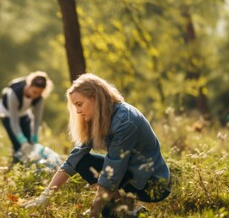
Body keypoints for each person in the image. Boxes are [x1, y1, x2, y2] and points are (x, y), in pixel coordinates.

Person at [21, 73, 170, 217]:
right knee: (83, 162)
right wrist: (43, 197)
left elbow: (112, 173)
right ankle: (127, 209)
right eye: (75, 106)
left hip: (152, 184)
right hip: (128, 175)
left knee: (107, 212)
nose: (78, 111)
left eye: (79, 104)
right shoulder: (97, 118)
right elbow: (73, 161)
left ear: (94, 98)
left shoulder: (125, 121)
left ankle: (128, 211)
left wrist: (93, 214)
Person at [0, 71, 53, 160]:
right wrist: (22, 140)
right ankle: (16, 164)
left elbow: (37, 119)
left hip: (23, 113)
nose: (36, 95)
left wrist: (34, 135)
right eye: (34, 92)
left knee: (29, 142)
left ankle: (28, 165)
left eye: (39, 93)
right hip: (7, 114)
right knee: (18, 145)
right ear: (29, 85)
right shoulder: (14, 93)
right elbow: (14, 122)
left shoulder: (39, 97)